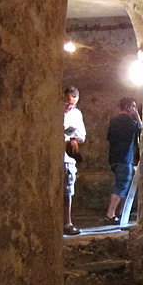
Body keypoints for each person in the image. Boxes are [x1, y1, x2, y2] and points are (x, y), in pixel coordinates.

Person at [103, 97, 142, 224]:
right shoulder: (129, 121)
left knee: (124, 184)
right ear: (129, 107)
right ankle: (110, 214)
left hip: (114, 158)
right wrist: (136, 116)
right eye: (134, 107)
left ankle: (122, 212)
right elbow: (142, 130)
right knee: (122, 185)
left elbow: (110, 138)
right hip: (125, 158)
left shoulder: (114, 120)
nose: (135, 109)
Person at [63, 86, 86, 236]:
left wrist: (75, 137)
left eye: (73, 104)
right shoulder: (53, 111)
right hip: (54, 156)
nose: (70, 107)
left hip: (67, 158)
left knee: (67, 191)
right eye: (67, 103)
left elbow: (83, 135)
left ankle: (67, 223)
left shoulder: (76, 114)